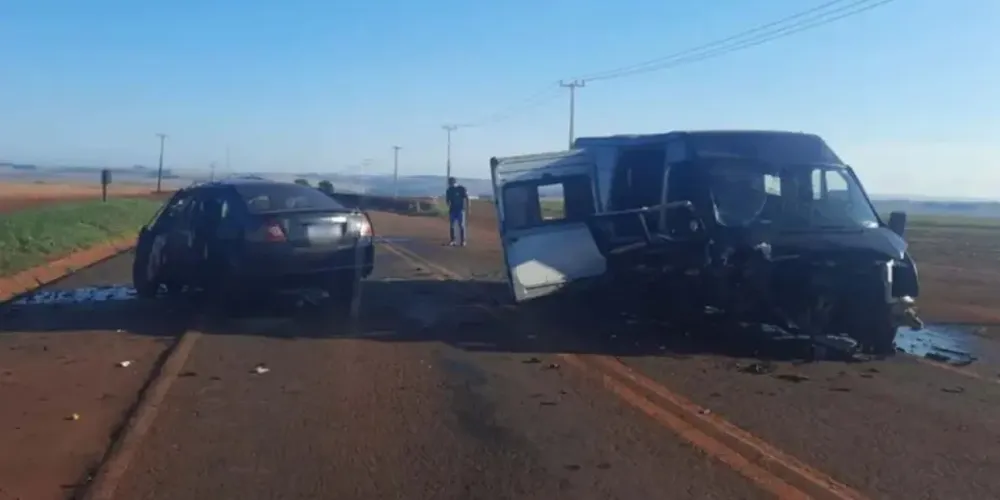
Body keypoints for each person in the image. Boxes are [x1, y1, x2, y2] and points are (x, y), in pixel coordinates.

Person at [445, 176, 470, 246]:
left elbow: (467, 198)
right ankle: (453, 240)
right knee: (452, 225)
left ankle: (463, 241)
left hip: (460, 209)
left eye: (451, 182)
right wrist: (448, 204)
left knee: (461, 225)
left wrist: (468, 207)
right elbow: (447, 200)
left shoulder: (461, 189)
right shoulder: (449, 190)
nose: (450, 184)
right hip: (453, 209)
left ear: (454, 182)